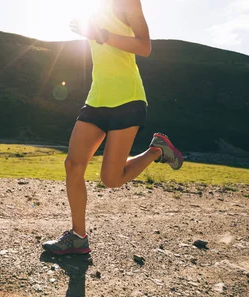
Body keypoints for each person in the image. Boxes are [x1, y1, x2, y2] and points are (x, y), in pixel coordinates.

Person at [42, 0, 184, 255]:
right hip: (97, 98)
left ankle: (156, 151)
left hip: (127, 98)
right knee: (73, 164)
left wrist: (101, 34)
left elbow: (144, 46)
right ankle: (78, 237)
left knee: (111, 178)